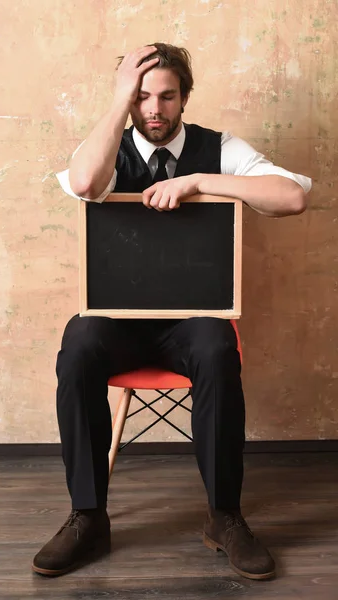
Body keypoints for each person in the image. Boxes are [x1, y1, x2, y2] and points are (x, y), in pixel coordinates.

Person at [33, 43, 312, 580]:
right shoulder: (107, 148)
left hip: (193, 322)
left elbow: (292, 196)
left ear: (184, 98)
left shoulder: (217, 148)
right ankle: (88, 516)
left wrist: (201, 182)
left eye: (166, 96)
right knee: (79, 344)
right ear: (127, 100)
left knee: (215, 343)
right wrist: (119, 104)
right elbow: (87, 184)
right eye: (141, 98)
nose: (154, 109)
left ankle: (225, 516)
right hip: (118, 321)